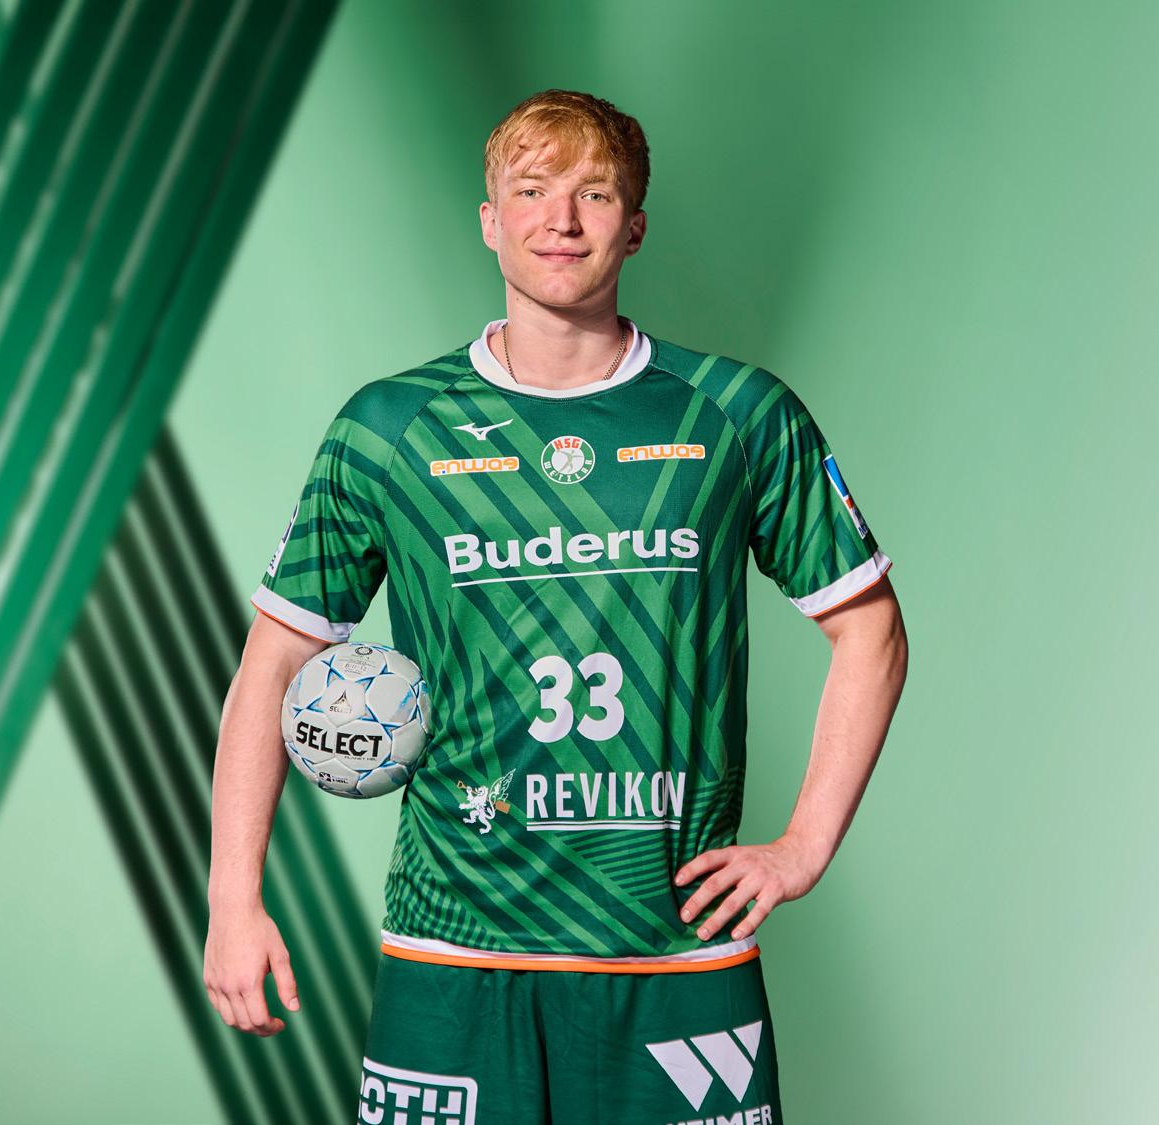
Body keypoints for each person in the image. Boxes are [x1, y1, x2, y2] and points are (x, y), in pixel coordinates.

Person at [204, 89, 908, 1124]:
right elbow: (270, 662)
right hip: (454, 948)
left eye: (595, 194)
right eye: (532, 192)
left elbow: (869, 627)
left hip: (674, 948)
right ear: (490, 220)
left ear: (636, 224)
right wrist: (233, 901)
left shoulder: (735, 414)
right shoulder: (391, 428)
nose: (561, 221)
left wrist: (802, 844)